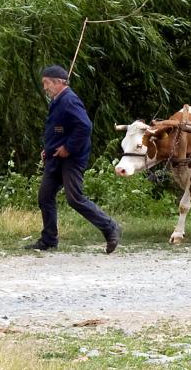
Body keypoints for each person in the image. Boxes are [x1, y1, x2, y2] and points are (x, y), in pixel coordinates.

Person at [26, 65, 121, 253]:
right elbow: (59, 129)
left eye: (46, 83)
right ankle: (49, 239)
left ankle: (110, 227)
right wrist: (48, 149)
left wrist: (68, 148)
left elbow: (85, 126)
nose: (44, 87)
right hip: (54, 159)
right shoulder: (57, 100)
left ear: (58, 82)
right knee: (45, 197)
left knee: (74, 198)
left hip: (71, 159)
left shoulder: (69, 100)